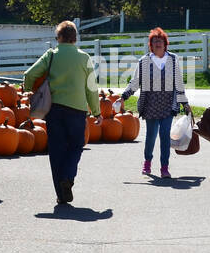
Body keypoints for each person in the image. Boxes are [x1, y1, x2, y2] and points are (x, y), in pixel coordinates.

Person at [23, 21, 100, 205]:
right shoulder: (84, 58)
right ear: (75, 38)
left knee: (56, 151)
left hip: (54, 109)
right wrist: (97, 112)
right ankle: (69, 176)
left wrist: (28, 90)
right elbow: (91, 88)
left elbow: (29, 74)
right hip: (77, 109)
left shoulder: (51, 55)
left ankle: (61, 194)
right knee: (76, 145)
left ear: (59, 38)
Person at [119, 27, 189, 178]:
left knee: (164, 136)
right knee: (151, 136)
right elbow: (135, 82)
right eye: (154, 41)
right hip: (150, 105)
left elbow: (179, 82)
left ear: (165, 44)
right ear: (151, 45)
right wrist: (123, 96)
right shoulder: (144, 61)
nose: (158, 43)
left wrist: (185, 103)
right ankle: (147, 162)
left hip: (168, 105)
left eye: (160, 41)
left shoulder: (173, 59)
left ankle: (164, 167)